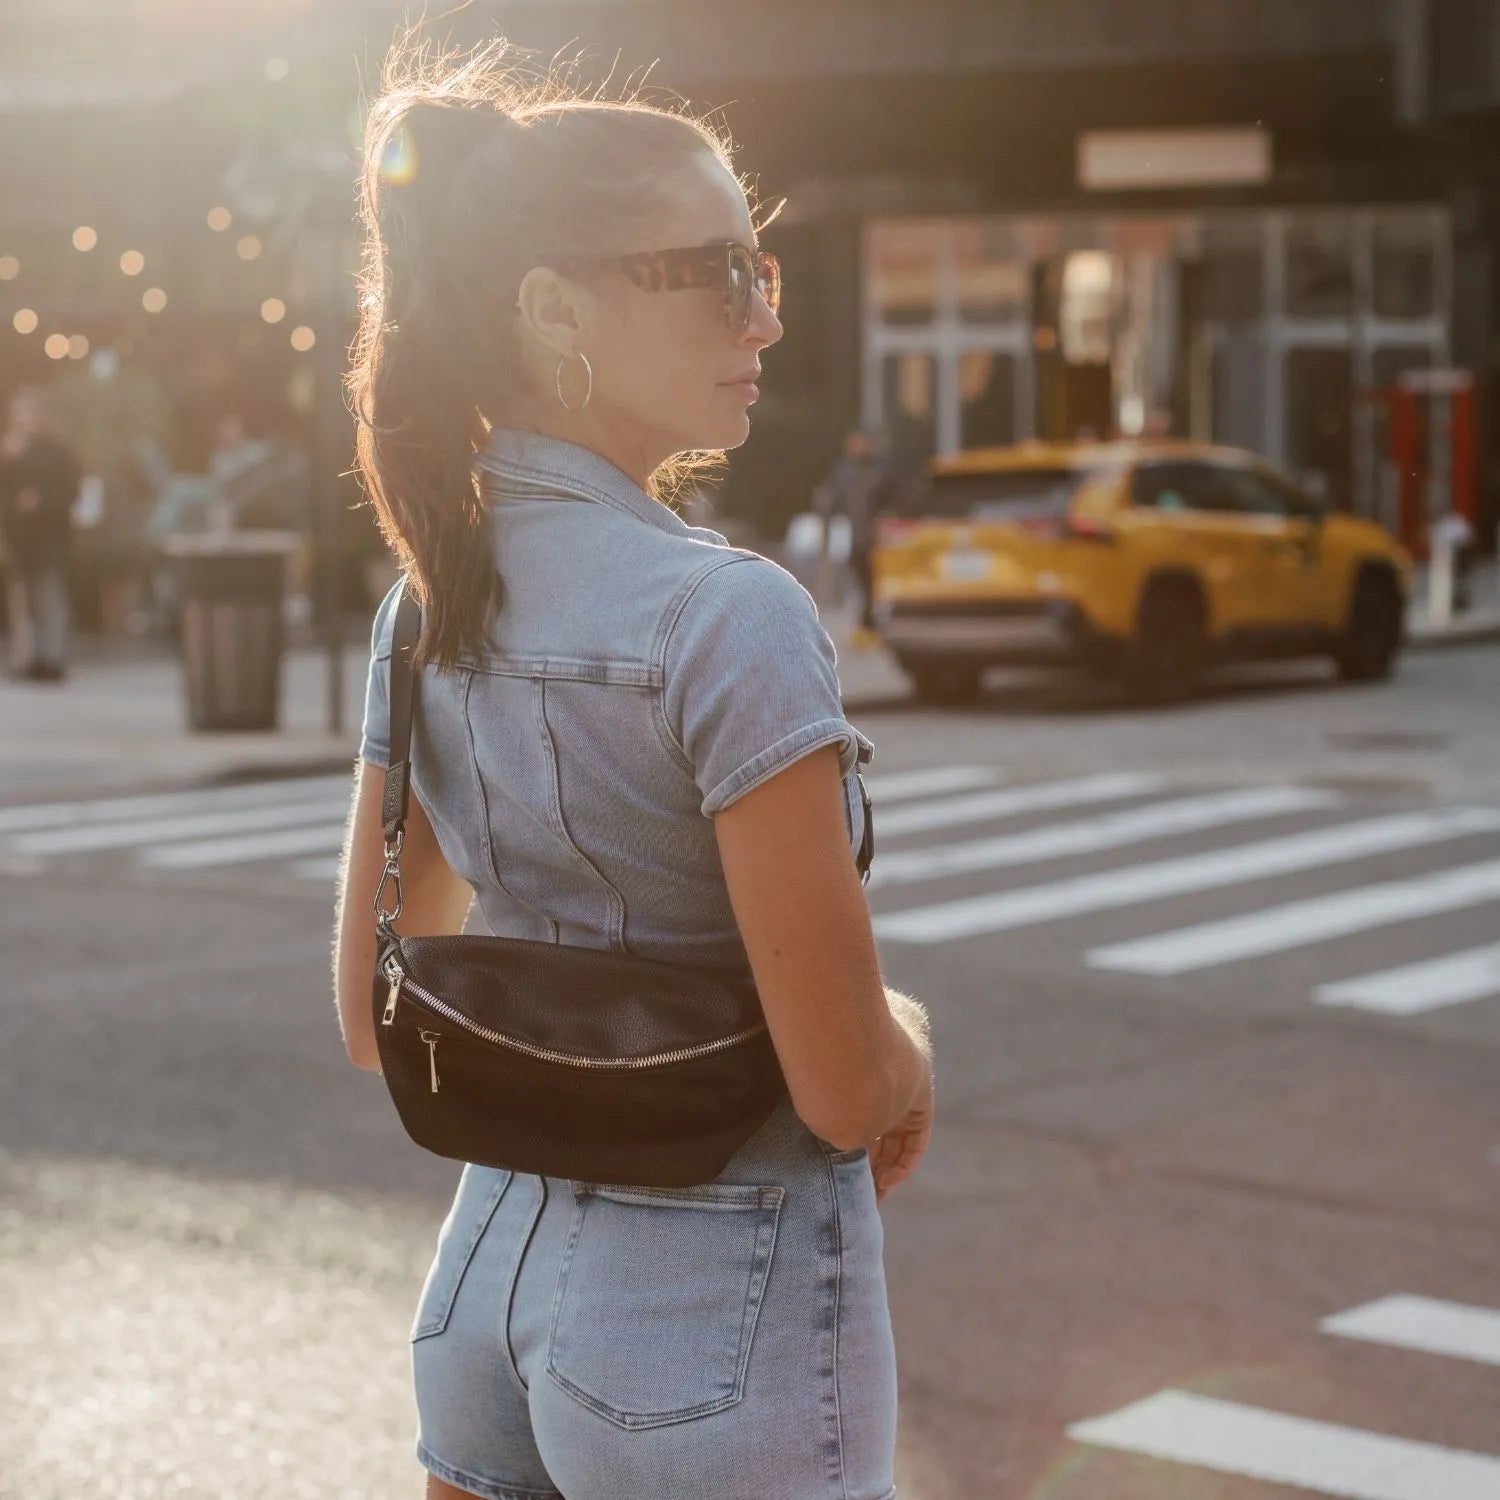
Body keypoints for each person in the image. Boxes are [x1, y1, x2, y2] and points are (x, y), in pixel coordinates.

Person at [329, 39, 933, 1500]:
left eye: (763, 269)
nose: (763, 317)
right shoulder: (729, 617)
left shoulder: (431, 598)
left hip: (486, 1278)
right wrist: (912, 1044)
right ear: (550, 311)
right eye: (713, 270)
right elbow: (842, 1089)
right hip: (710, 1326)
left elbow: (366, 1011)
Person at [0, 386, 81, 682]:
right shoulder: (11, 450)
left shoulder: (58, 451)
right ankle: (26, 659)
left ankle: (53, 658)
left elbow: (72, 491)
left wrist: (42, 500)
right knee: (22, 603)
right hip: (19, 542)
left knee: (49, 599)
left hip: (50, 539)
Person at [814, 428, 896, 644]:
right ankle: (865, 624)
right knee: (859, 582)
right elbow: (831, 499)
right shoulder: (844, 472)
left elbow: (896, 500)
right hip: (853, 538)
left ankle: (871, 624)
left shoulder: (882, 471)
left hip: (878, 540)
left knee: (874, 583)